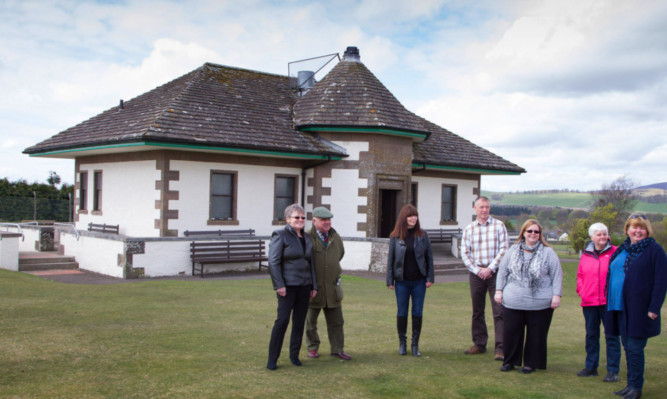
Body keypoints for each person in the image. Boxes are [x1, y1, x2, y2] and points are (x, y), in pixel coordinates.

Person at [606, 214, 667, 399]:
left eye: (642, 228)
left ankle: (636, 388)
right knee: (627, 346)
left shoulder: (654, 250)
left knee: (635, 347)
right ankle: (630, 384)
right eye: (634, 227)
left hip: (639, 309)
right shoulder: (623, 249)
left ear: (647, 230)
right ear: (627, 229)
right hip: (619, 307)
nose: (638, 231)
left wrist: (654, 307)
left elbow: (661, 281)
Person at [495, 219, 562, 374]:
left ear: (540, 234)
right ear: (523, 233)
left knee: (536, 335)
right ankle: (510, 361)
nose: (533, 234)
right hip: (513, 301)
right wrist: (499, 291)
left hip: (540, 303)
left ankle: (530, 364)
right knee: (511, 333)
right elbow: (502, 271)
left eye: (536, 231)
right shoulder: (512, 250)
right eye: (529, 231)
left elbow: (556, 275)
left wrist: (556, 295)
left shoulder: (548, 252)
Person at [266, 203, 317, 370]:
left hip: (304, 286)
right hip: (287, 287)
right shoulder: (280, 236)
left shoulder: (308, 238)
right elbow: (273, 262)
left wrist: (313, 286)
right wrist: (279, 285)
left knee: (299, 322)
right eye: (297, 217)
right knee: (282, 321)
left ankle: (294, 355)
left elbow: (311, 264)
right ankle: (273, 358)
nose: (300, 220)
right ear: (288, 219)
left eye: (303, 217)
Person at [461, 196, 508, 360]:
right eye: (481, 207)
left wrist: (490, 268)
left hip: (495, 273)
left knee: (499, 311)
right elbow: (465, 253)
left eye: (487, 207)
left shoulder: (499, 226)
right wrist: (477, 270)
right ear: (475, 208)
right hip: (476, 274)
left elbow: (504, 249)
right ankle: (479, 344)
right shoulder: (469, 229)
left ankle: (501, 348)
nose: (484, 210)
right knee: (477, 311)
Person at [386, 204, 434, 357]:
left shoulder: (423, 236)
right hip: (402, 282)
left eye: (415, 216)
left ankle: (415, 344)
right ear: (404, 218)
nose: (413, 218)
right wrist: (390, 280)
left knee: (417, 312)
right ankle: (402, 343)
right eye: (410, 216)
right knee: (402, 312)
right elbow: (390, 260)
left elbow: (429, 259)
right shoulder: (395, 237)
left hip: (419, 281)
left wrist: (429, 278)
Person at [576, 222, 621, 382]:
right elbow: (580, 274)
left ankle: (613, 371)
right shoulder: (586, 254)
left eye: (604, 234)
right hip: (589, 301)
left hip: (609, 302)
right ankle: (591, 367)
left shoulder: (616, 252)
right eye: (599, 234)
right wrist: (581, 289)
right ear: (592, 237)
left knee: (611, 336)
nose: (602, 237)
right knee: (591, 335)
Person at [305, 206, 351, 361]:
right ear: (314, 221)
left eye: (329, 219)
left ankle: (337, 349)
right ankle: (312, 348)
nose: (327, 222)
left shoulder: (335, 237)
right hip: (314, 289)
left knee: (337, 322)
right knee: (311, 323)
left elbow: (340, 254)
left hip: (332, 289)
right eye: (323, 219)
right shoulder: (306, 237)